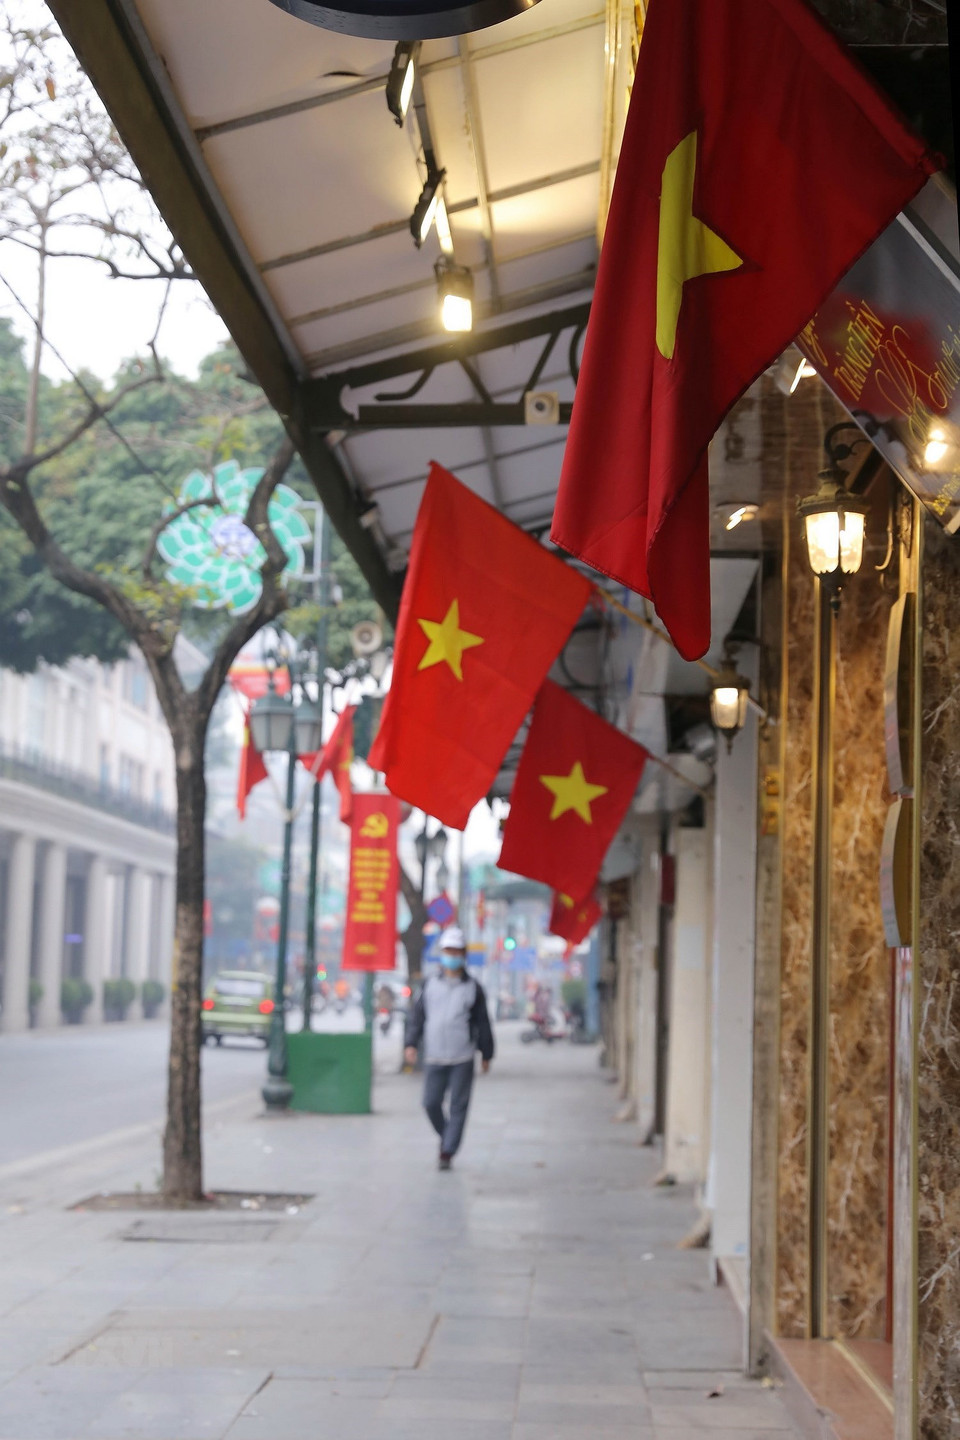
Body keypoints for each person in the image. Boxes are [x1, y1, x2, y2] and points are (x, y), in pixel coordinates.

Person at [404, 925, 494, 1170]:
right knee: (430, 1103)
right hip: (434, 1055)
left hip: (462, 1056)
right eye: (448, 951)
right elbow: (418, 1016)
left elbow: (483, 1023)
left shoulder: (473, 988)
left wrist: (487, 1054)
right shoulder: (430, 985)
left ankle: (447, 1151)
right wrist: (411, 1043)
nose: (452, 957)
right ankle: (447, 1137)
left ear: (463, 955)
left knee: (458, 1106)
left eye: (456, 952)